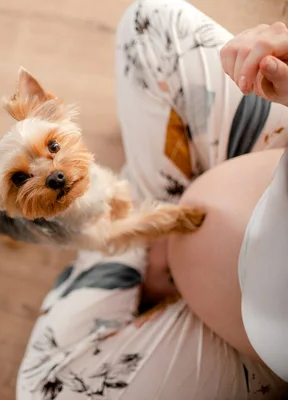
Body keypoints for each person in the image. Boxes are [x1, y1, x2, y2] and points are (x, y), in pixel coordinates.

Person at [16, 0, 288, 398]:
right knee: (149, 25)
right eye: (22, 177)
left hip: (250, 338)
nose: (52, 171)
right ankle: (127, 221)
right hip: (257, 172)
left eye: (55, 147)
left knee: (41, 389)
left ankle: (120, 229)